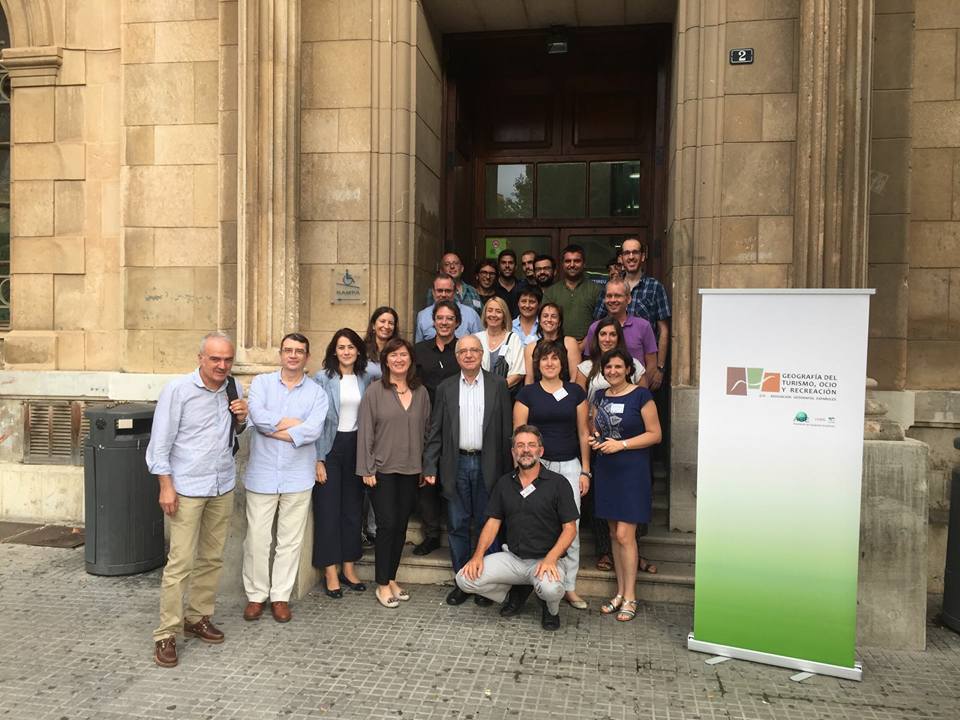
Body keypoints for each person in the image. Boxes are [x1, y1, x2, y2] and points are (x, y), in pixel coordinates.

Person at [147, 331, 249, 668]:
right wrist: (166, 486)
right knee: (180, 563)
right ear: (200, 358)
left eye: (227, 360)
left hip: (221, 485)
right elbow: (160, 443)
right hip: (187, 487)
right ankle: (166, 633)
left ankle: (198, 617)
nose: (222, 365)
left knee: (211, 558)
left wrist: (242, 418)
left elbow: (236, 432)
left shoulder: (232, 388)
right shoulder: (178, 391)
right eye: (215, 359)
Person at [456, 425, 579, 631]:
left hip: (545, 560)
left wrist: (551, 558)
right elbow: (493, 523)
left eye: (531, 445)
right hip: (513, 558)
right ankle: (515, 592)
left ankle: (551, 609)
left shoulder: (558, 484)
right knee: (464, 579)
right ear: (513, 452)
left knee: (552, 589)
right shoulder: (505, 483)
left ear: (541, 451)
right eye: (520, 446)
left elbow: (570, 529)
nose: (525, 450)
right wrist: (478, 555)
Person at [242, 333, 328, 623]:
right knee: (257, 539)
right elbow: (256, 417)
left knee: (290, 541)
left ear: (307, 357)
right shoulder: (262, 384)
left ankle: (280, 596)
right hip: (262, 474)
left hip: (297, 476)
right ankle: (256, 596)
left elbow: (313, 431)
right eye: (288, 350)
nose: (293, 355)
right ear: (280, 354)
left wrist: (271, 427)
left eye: (299, 351)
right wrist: (294, 428)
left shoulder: (316, 392)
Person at [422, 335, 512, 606]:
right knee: (458, 524)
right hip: (456, 464)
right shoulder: (447, 387)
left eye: (474, 350)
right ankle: (463, 581)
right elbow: (435, 429)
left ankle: (487, 583)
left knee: (489, 524)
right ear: (457, 356)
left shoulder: (498, 385)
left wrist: (509, 472)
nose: (469, 355)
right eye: (464, 351)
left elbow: (506, 430)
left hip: (490, 464)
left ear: (482, 354)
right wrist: (429, 464)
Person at [514, 340, 591, 610]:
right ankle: (535, 581)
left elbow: (584, 433)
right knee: (536, 524)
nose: (549, 363)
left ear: (562, 362)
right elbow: (520, 437)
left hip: (570, 466)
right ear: (538, 364)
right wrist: (521, 473)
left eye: (554, 359)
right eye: (544, 359)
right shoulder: (527, 394)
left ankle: (568, 586)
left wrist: (585, 470)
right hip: (538, 466)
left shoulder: (575, 392)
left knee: (572, 527)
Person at [357, 338, 432, 609]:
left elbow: (426, 432)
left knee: (400, 527)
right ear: (386, 360)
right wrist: (366, 468)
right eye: (393, 355)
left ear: (410, 360)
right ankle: (381, 583)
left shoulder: (421, 392)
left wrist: (426, 466)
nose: (399, 360)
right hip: (381, 470)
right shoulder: (375, 392)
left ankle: (392, 578)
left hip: (411, 470)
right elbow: (365, 431)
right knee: (387, 525)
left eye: (404, 355)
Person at [589, 348, 662, 622]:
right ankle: (619, 592)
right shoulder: (599, 396)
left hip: (632, 470)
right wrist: (595, 439)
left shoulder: (642, 395)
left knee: (624, 535)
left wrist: (622, 445)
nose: (613, 371)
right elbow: (598, 427)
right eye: (608, 368)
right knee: (612, 535)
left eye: (618, 367)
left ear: (628, 369)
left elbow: (655, 435)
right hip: (607, 469)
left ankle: (631, 596)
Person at [313, 328, 375, 599]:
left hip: (356, 447)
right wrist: (317, 458)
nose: (346, 351)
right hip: (330, 448)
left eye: (351, 347)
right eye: (341, 347)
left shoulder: (367, 377)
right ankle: (330, 571)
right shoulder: (322, 379)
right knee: (328, 511)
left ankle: (349, 567)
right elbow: (313, 421)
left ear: (358, 350)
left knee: (352, 510)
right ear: (333, 351)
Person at [411, 300, 463, 557]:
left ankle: (457, 531)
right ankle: (431, 534)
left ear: (457, 322)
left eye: (449, 318)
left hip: (457, 422)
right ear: (433, 321)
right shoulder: (419, 350)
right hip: (426, 422)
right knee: (426, 479)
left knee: (453, 477)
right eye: (439, 318)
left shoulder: (463, 350)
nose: (444, 322)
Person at [592, 238, 671, 390]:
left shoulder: (655, 287)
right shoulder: (612, 287)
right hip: (610, 371)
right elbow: (597, 324)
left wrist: (659, 368)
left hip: (643, 368)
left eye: (635, 252)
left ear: (643, 256)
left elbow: (664, 331)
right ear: (621, 258)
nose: (631, 257)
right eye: (626, 253)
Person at [583, 279, 657, 387]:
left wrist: (640, 391)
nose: (613, 300)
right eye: (609, 296)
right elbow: (589, 363)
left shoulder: (643, 326)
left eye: (618, 296)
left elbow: (651, 364)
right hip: (600, 393)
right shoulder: (595, 328)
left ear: (628, 299)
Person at [575, 316, 647, 402]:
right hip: (594, 414)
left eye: (613, 334)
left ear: (619, 338)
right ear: (597, 337)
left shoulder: (634, 364)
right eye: (603, 334)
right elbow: (579, 405)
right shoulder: (585, 368)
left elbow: (645, 401)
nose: (607, 339)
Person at [542, 244, 601, 341]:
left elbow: (600, 323)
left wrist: (584, 345)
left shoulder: (595, 290)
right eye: (568, 261)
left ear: (584, 263)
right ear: (562, 264)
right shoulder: (551, 292)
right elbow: (545, 322)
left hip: (589, 349)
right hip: (558, 348)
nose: (572, 265)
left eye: (577, 261)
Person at [523, 303, 581, 385]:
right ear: (539, 321)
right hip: (538, 394)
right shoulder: (530, 347)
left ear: (559, 322)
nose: (549, 319)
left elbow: (575, 377)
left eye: (553, 316)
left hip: (566, 393)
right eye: (545, 316)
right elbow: (529, 380)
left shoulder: (570, 343)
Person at [475, 296, 525, 391]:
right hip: (478, 394)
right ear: (485, 314)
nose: (493, 315)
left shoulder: (513, 339)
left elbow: (518, 373)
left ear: (504, 315)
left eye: (498, 311)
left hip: (505, 395)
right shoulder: (476, 339)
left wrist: (496, 389)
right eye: (490, 310)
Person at [415, 273, 482, 342]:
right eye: (440, 291)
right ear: (433, 292)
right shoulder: (423, 316)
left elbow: (480, 344)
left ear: (455, 292)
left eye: (448, 291)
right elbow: (419, 348)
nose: (443, 295)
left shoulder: (471, 315)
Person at [363, 306, 398, 379]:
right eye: (382, 321)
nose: (386, 326)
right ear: (373, 325)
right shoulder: (362, 349)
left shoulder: (399, 350)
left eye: (391, 323)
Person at [496, 248, 523, 317]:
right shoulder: (492, 287)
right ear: (498, 266)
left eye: (510, 263)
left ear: (516, 267)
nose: (507, 266)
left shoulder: (523, 287)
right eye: (503, 262)